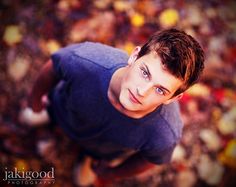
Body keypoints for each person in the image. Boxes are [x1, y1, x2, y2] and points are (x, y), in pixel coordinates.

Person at [23, 29, 204, 185]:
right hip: (62, 108)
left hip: (100, 150)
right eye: (144, 72)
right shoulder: (86, 61)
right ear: (134, 56)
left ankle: (87, 158)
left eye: (160, 89)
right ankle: (48, 114)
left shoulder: (165, 133)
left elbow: (150, 159)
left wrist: (113, 173)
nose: (142, 91)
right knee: (30, 117)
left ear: (173, 98)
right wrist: (36, 100)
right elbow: (52, 67)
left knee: (83, 179)